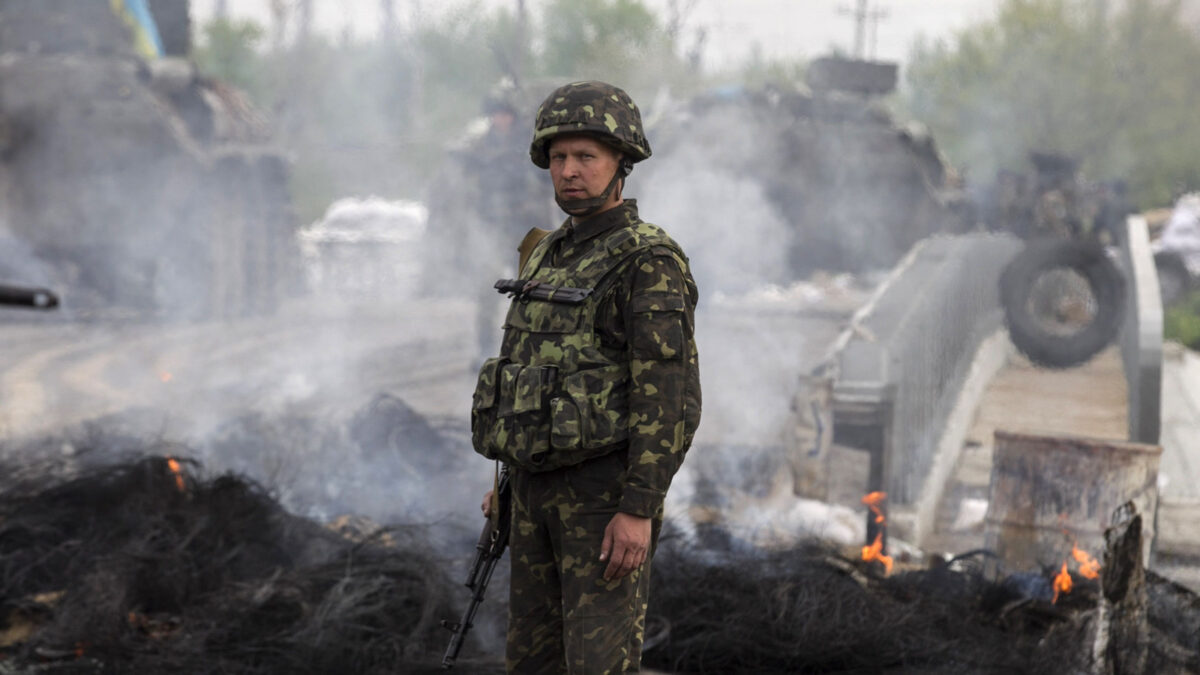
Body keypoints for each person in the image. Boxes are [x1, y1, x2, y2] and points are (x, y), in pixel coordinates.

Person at [470, 81, 701, 674]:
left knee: (596, 664)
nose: (569, 171)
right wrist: (510, 478)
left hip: (603, 500)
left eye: (585, 157)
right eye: (558, 158)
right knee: (529, 659)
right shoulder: (544, 252)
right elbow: (525, 373)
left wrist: (640, 507)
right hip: (534, 493)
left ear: (621, 162)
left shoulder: (648, 260)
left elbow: (669, 399)